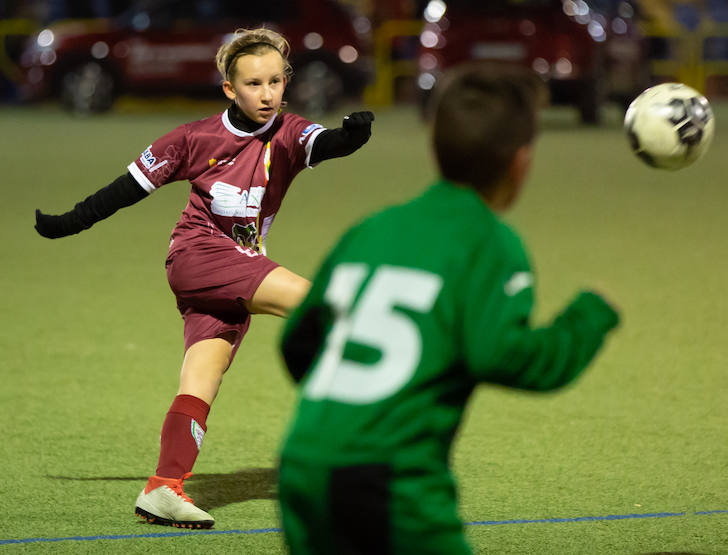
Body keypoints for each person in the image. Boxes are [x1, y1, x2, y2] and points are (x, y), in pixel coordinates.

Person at [33, 27, 374, 529]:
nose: (267, 94)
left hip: (235, 273)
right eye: (254, 84)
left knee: (201, 382)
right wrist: (69, 223)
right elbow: (124, 190)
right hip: (198, 256)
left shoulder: (288, 132)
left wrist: (353, 135)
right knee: (321, 304)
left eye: (276, 82)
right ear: (229, 90)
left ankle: (163, 489)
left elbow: (325, 143)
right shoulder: (193, 138)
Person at [277, 62, 620, 554]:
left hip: (302, 462)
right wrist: (588, 318)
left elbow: (297, 344)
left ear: (435, 145)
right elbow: (501, 354)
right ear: (520, 162)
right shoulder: (489, 242)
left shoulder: (374, 227)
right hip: (389, 480)